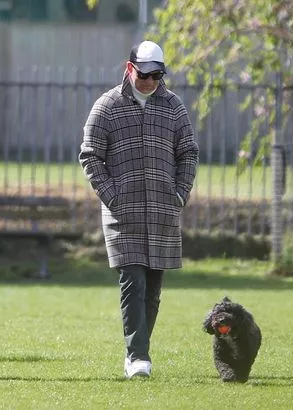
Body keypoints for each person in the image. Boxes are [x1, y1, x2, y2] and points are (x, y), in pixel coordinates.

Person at [79, 40, 199, 379]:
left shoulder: (173, 106)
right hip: (122, 213)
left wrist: (179, 194)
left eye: (157, 75)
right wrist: (112, 196)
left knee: (153, 288)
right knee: (132, 282)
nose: (150, 81)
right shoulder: (107, 105)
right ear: (129, 69)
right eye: (144, 74)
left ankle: (139, 350)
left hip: (163, 210)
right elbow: (89, 155)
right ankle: (137, 356)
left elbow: (188, 152)